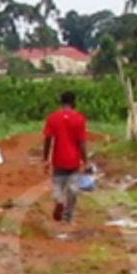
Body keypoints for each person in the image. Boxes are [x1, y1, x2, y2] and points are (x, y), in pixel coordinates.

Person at [42, 91, 89, 223]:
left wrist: (46, 159)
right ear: (74, 102)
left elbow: (48, 139)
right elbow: (82, 142)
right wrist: (85, 161)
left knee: (58, 185)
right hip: (74, 161)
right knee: (73, 189)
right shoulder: (79, 119)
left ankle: (59, 200)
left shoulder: (53, 118)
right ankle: (68, 217)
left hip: (58, 160)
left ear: (61, 102)